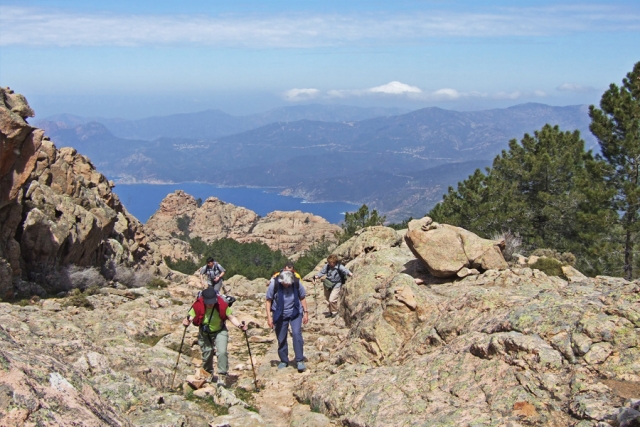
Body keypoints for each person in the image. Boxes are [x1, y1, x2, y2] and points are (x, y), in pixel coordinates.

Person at [182, 287, 247, 386]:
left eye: (212, 302)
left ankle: (222, 375)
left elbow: (231, 317)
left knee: (222, 352)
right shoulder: (198, 305)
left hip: (220, 331)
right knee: (207, 353)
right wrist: (186, 322)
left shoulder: (222, 306)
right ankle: (208, 373)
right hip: (205, 333)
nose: (210, 304)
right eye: (208, 302)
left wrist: (239, 326)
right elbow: (190, 317)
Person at [265, 270, 309, 372]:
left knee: (297, 334)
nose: (287, 285)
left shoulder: (297, 283)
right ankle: (284, 360)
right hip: (279, 314)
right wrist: (269, 317)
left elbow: (302, 297)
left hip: (295, 312)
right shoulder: (274, 285)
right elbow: (268, 301)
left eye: (289, 284)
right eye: (285, 284)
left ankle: (299, 360)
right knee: (281, 337)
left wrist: (306, 312)